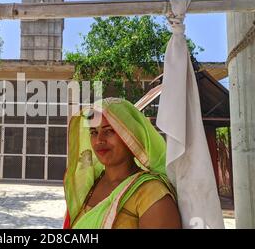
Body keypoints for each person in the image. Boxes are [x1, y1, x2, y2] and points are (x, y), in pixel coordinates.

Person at [63, 98, 182, 229]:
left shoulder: (151, 193)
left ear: (131, 135)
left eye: (109, 131)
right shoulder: (90, 185)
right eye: (94, 132)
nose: (99, 140)